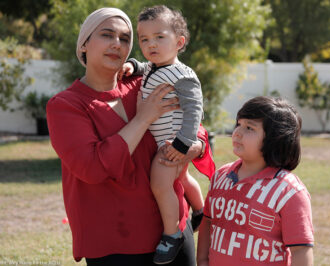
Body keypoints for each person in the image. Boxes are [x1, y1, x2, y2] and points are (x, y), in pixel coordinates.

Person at [46, 7, 214, 266]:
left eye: (124, 38)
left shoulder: (144, 84)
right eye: (107, 35)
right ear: (84, 44)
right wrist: (143, 118)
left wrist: (197, 146)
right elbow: (92, 168)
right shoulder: (66, 105)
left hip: (173, 234)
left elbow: (189, 121)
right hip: (115, 244)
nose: (117, 44)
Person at [122, 5, 206, 264]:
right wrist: (133, 66)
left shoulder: (183, 74)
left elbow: (195, 110)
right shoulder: (155, 67)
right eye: (145, 39)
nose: (151, 44)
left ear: (179, 42)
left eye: (160, 37)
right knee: (182, 176)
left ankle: (173, 234)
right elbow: (146, 69)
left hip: (171, 142)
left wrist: (182, 144)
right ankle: (202, 210)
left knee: (160, 183)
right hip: (167, 141)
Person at [197, 96, 314, 266]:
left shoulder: (289, 192)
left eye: (249, 128)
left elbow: (301, 250)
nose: (237, 132)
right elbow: (207, 222)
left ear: (276, 139)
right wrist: (202, 260)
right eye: (239, 124)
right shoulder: (221, 177)